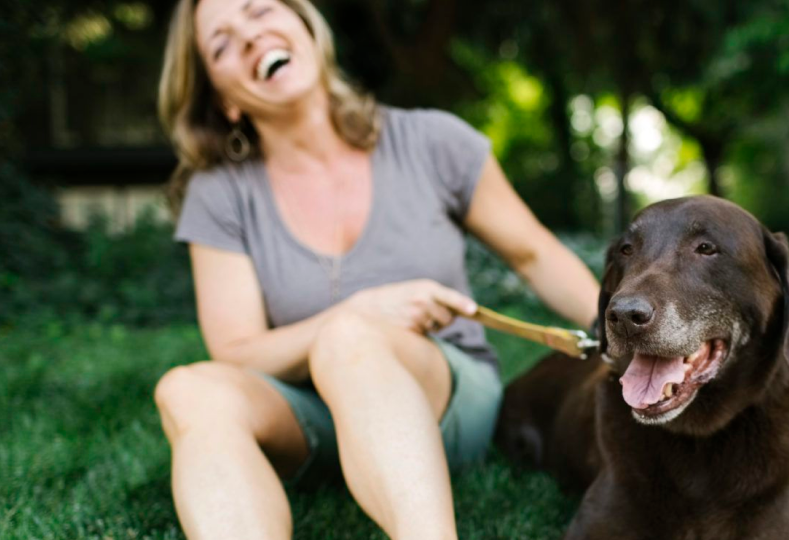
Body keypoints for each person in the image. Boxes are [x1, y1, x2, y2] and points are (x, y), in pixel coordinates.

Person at [152, 0, 600, 538]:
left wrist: (615, 330)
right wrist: (362, 309)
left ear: (307, 27)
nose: (249, 36)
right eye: (221, 43)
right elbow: (238, 351)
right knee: (189, 388)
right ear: (223, 99)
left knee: (350, 339)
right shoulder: (220, 193)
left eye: (260, 10)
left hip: (445, 394)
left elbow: (535, 255)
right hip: (312, 409)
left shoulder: (434, 141)